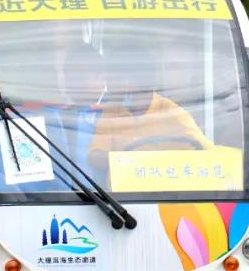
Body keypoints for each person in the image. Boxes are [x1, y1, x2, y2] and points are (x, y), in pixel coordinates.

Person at [87, 48, 212, 176]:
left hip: (164, 193)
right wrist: (126, 160)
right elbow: (94, 156)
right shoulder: (112, 111)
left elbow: (207, 153)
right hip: (118, 195)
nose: (107, 85)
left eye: (112, 79)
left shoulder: (172, 113)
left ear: (129, 82)